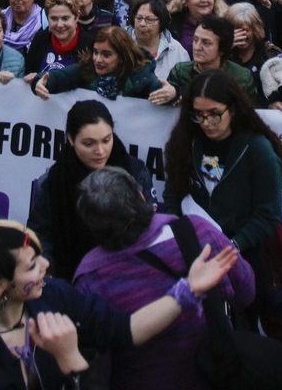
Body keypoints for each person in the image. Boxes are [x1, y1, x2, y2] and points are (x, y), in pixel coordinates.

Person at [0, 216, 238, 390]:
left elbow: (127, 329)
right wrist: (69, 357)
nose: (46, 264)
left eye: (40, 255)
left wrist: (187, 290)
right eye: (31, 266)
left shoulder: (56, 296)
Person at [72, 166, 259, 390]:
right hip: (214, 376)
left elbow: (95, 359)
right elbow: (247, 291)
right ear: (142, 197)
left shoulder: (89, 278)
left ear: (90, 224)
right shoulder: (200, 232)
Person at [161, 70, 282, 335]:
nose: (206, 122)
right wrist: (178, 235)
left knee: (240, 334)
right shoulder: (186, 141)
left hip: (243, 256)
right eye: (198, 114)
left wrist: (232, 246)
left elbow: (267, 215)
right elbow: (172, 195)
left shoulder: (258, 150)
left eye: (214, 114)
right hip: (192, 254)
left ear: (233, 109)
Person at [29, 100, 156, 280]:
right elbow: (39, 233)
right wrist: (46, 270)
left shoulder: (135, 173)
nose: (100, 151)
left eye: (106, 140)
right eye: (89, 144)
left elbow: (152, 228)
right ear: (71, 139)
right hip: (72, 284)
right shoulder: (53, 181)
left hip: (130, 279)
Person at [34, 26, 162, 101]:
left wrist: (173, 94)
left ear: (122, 57)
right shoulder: (87, 69)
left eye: (106, 55)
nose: (98, 59)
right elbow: (59, 77)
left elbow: (162, 91)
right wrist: (41, 81)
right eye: (95, 52)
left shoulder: (141, 76)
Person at [164, 14, 257, 99]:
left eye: (206, 43)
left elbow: (247, 112)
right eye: (195, 40)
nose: (197, 47)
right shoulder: (180, 72)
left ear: (222, 49)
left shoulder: (241, 78)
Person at [131, 0, 189, 81]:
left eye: (149, 19)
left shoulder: (177, 51)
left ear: (161, 22)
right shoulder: (122, 44)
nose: (142, 24)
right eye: (138, 18)